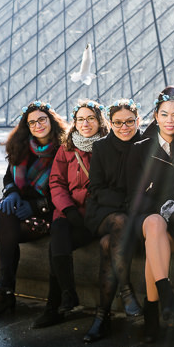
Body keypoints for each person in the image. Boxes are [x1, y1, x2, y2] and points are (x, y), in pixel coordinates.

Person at [0, 101, 66, 319]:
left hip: (49, 212)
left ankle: (5, 295)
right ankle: (5, 290)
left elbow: (67, 189)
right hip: (19, 209)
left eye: (41, 120)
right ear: (26, 127)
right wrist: (12, 192)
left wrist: (37, 206)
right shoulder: (21, 146)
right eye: (32, 123)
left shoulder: (64, 148)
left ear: (51, 121)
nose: (37, 125)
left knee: (6, 218)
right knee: (7, 211)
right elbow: (9, 177)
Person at [125, 86, 174, 342]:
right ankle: (165, 290)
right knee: (155, 224)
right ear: (155, 115)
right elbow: (136, 196)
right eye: (164, 114)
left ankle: (153, 308)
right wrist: (166, 208)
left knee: (158, 241)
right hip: (145, 217)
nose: (169, 120)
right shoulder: (140, 149)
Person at [39, 101, 108, 329]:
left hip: (95, 216)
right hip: (68, 212)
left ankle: (56, 305)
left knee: (55, 248)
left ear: (99, 121)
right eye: (80, 119)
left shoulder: (108, 147)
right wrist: (68, 209)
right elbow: (56, 182)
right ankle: (67, 294)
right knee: (58, 233)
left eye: (90, 118)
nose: (85, 123)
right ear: (74, 122)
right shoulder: (66, 148)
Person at [81, 99, 146, 341]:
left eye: (129, 121)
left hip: (134, 214)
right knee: (119, 222)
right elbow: (96, 188)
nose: (124, 127)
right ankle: (126, 289)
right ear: (110, 123)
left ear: (137, 121)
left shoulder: (147, 145)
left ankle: (102, 316)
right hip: (103, 212)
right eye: (118, 123)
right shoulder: (101, 148)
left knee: (108, 244)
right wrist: (125, 202)